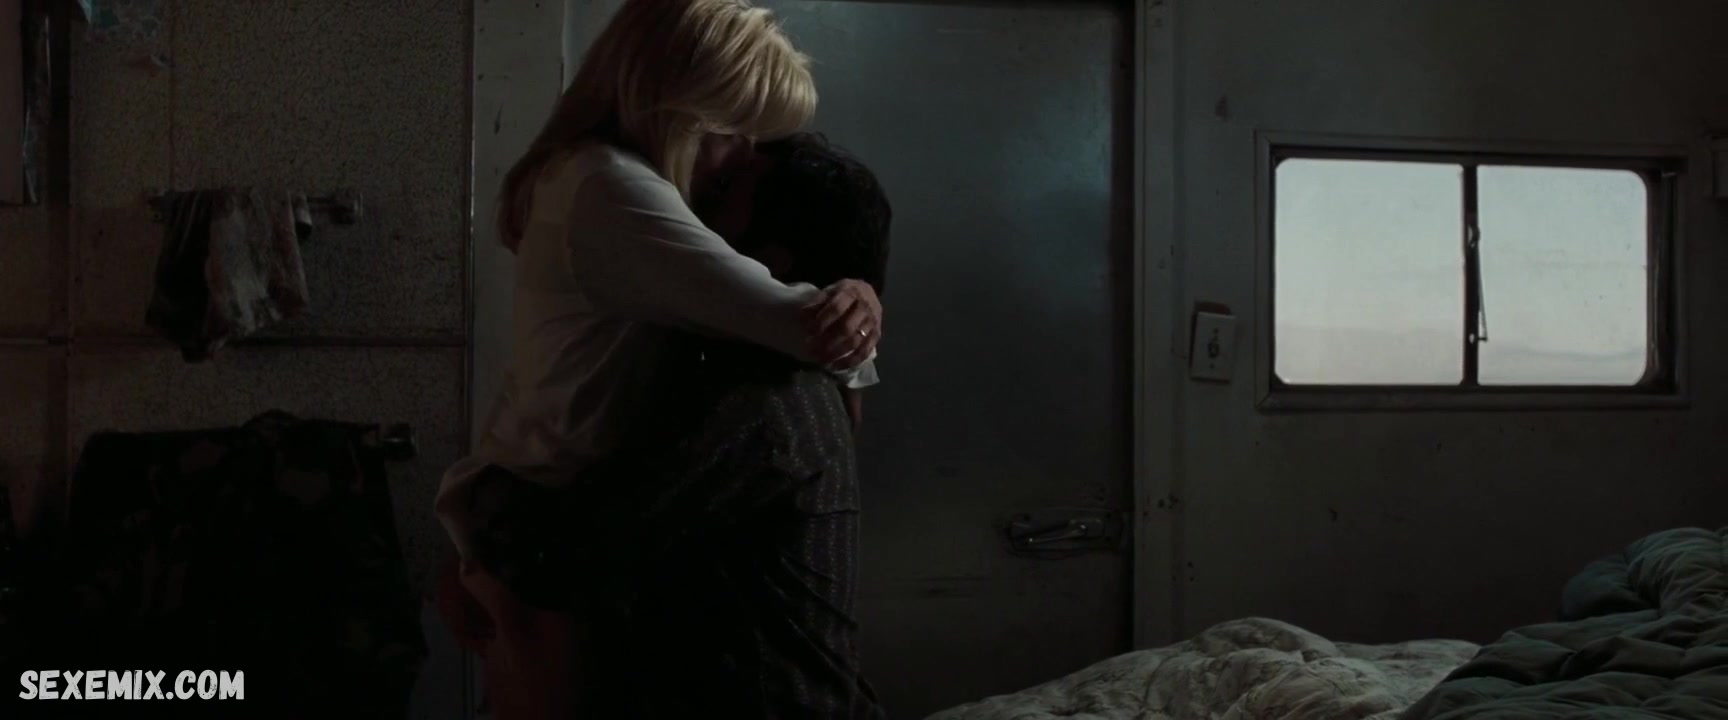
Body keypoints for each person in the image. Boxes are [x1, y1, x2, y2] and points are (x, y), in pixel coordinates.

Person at [432, 0, 885, 716]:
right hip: (536, 532)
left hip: (533, 525)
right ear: (676, 110)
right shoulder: (612, 189)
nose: (739, 157)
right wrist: (857, 324)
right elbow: (807, 329)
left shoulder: (582, 178)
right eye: (731, 132)